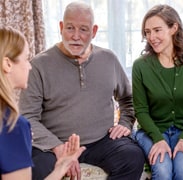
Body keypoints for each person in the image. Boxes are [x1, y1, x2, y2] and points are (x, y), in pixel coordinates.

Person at [19, 1, 145, 180]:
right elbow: (27, 117)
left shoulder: (108, 59)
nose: (76, 36)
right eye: (70, 28)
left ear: (93, 32)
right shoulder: (38, 65)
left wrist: (124, 123)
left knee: (133, 156)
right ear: (61, 27)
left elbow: (128, 99)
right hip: (55, 144)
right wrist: (57, 147)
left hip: (102, 141)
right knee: (37, 168)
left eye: (83, 29)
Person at [132, 4, 183, 180]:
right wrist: (158, 139)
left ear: (174, 28)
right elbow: (141, 111)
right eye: (147, 32)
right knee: (163, 170)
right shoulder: (140, 66)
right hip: (152, 130)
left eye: (157, 30)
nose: (152, 37)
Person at [0, 26, 85, 180]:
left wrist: (60, 168)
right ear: (7, 64)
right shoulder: (12, 125)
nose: (29, 66)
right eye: (26, 59)